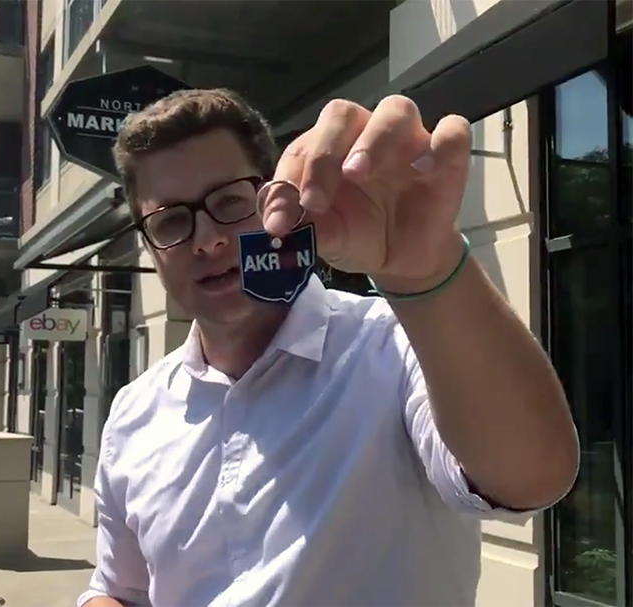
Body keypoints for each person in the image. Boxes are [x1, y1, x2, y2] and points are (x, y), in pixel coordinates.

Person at [77, 89, 579, 607]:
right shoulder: (133, 412)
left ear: (277, 195)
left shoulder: (396, 344)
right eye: (171, 221)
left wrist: (426, 270)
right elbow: (120, 588)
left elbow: (531, 477)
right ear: (148, 242)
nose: (206, 240)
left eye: (228, 200)